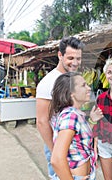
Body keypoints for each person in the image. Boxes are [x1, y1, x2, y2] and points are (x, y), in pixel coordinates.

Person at [36, 37, 85, 179]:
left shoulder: (73, 79)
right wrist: (55, 152)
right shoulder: (49, 82)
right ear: (60, 55)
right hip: (59, 145)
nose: (75, 63)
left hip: (75, 144)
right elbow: (42, 121)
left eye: (78, 58)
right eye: (70, 58)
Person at [49, 72, 102, 180]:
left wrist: (92, 121)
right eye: (83, 85)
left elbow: (78, 140)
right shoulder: (71, 116)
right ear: (71, 93)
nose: (88, 88)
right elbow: (57, 159)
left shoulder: (75, 113)